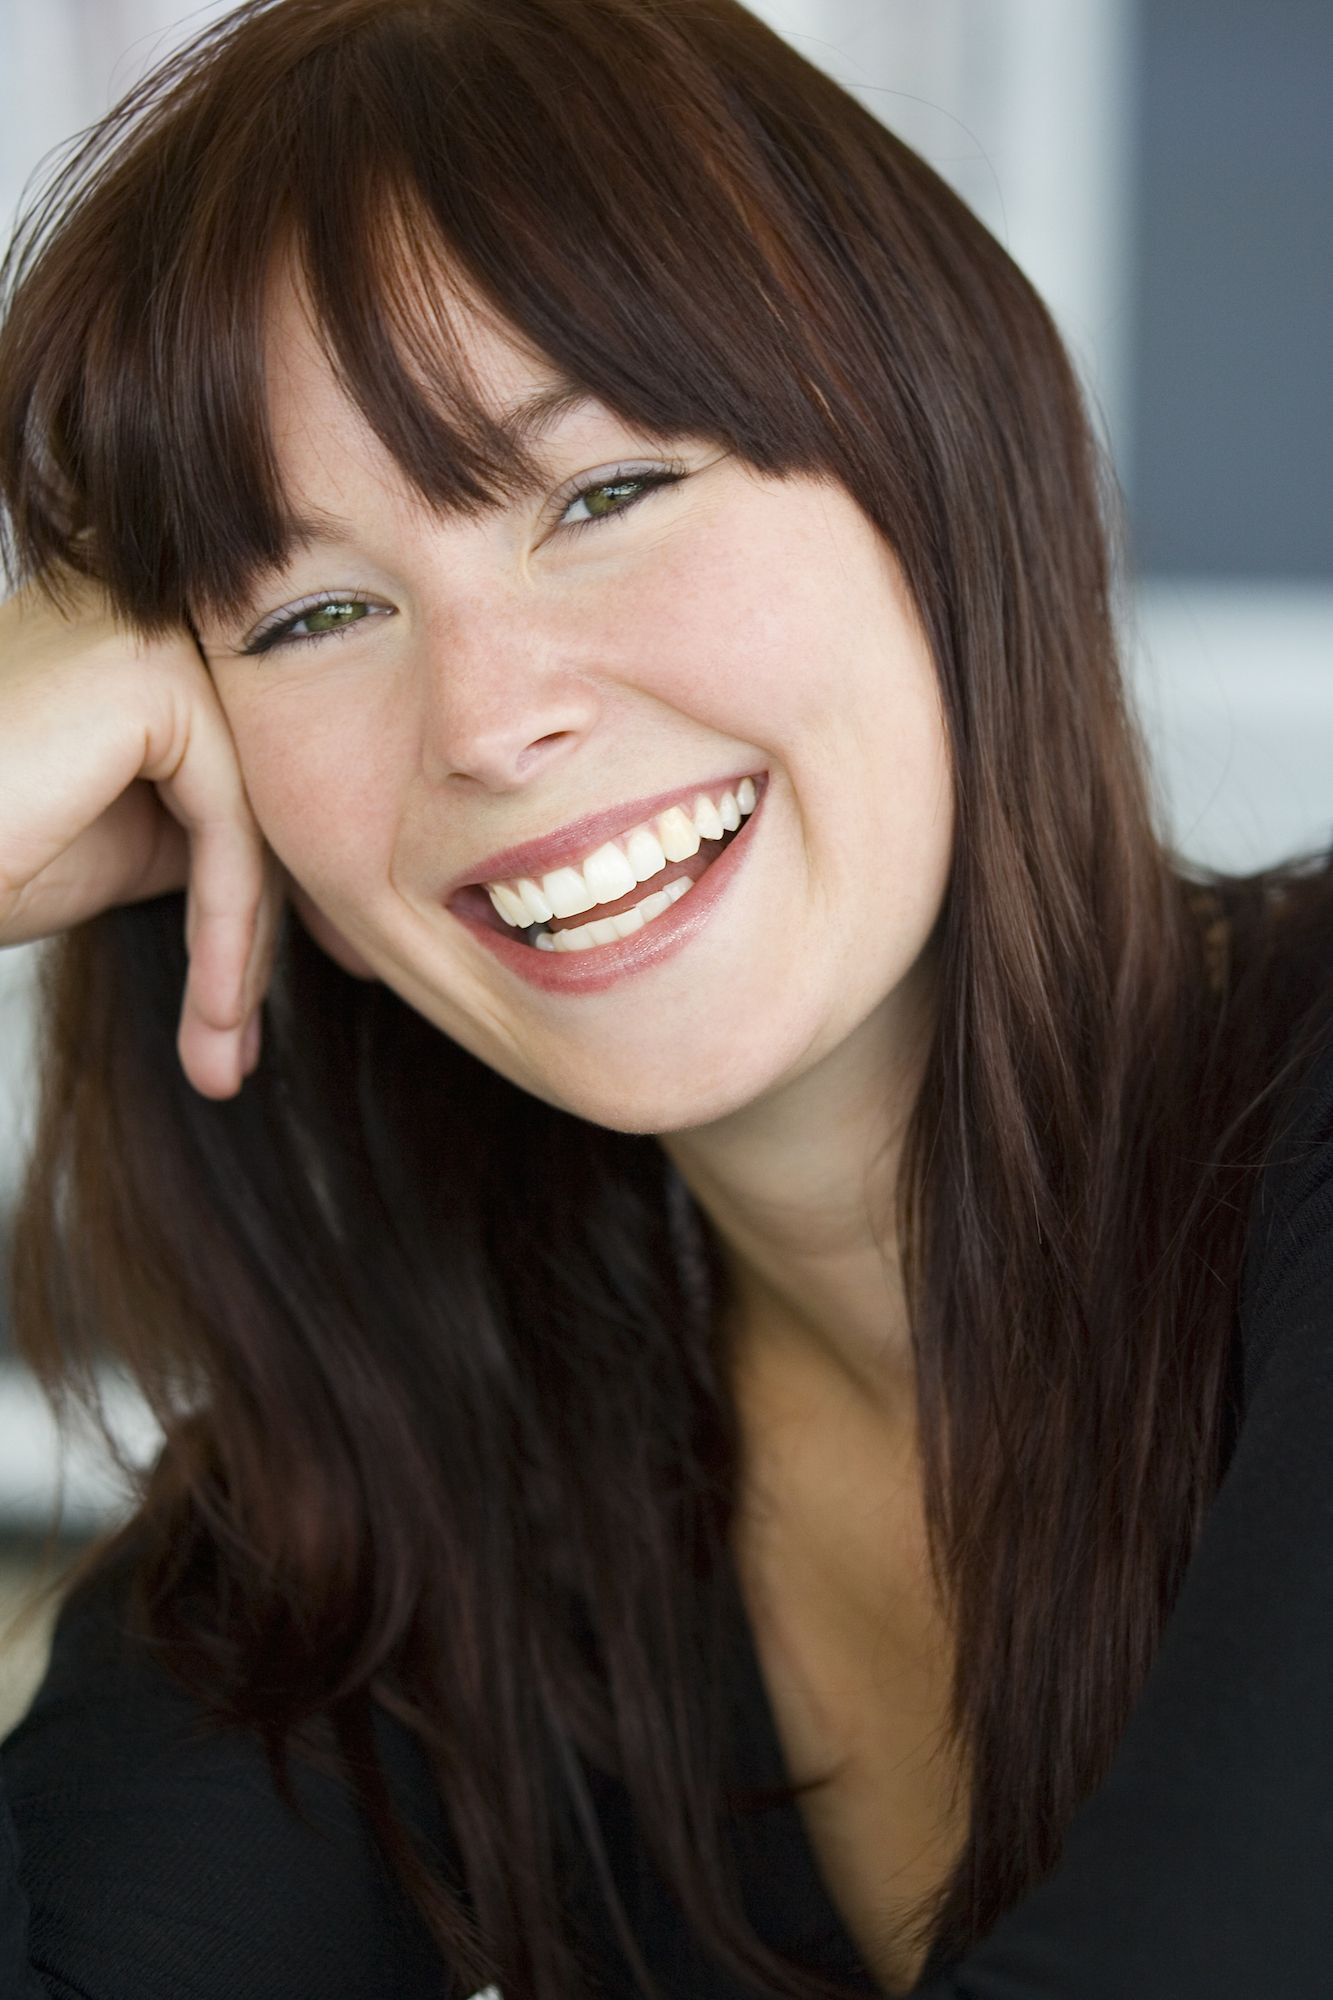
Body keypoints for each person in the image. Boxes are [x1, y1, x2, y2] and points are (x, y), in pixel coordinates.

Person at [0, 1, 1330, 1995]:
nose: (491, 718)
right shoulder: (421, 1469)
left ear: (936, 471)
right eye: (314, 615)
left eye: (602, 494)